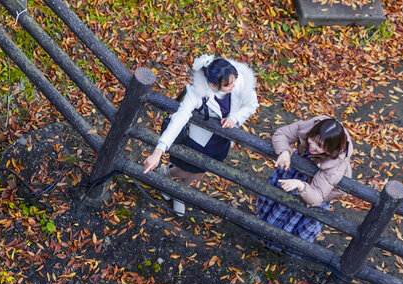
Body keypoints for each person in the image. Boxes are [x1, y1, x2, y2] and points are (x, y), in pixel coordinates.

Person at [141, 54, 259, 215]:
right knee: (187, 169)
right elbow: (179, 118)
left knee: (200, 173)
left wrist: (235, 117)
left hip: (221, 141)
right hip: (198, 140)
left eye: (234, 80)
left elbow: (252, 104)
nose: (233, 86)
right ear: (213, 84)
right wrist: (158, 151)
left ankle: (179, 193)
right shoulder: (197, 92)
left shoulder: (238, 82)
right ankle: (165, 173)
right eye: (227, 85)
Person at [255, 116, 353, 245]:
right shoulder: (312, 126)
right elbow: (282, 133)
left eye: (320, 146)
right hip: (298, 173)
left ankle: (279, 244)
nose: (312, 146)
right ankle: (262, 228)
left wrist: (301, 186)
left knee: (295, 214)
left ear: (330, 149)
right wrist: (284, 151)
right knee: (277, 201)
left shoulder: (335, 165)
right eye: (312, 139)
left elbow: (317, 196)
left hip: (315, 190)